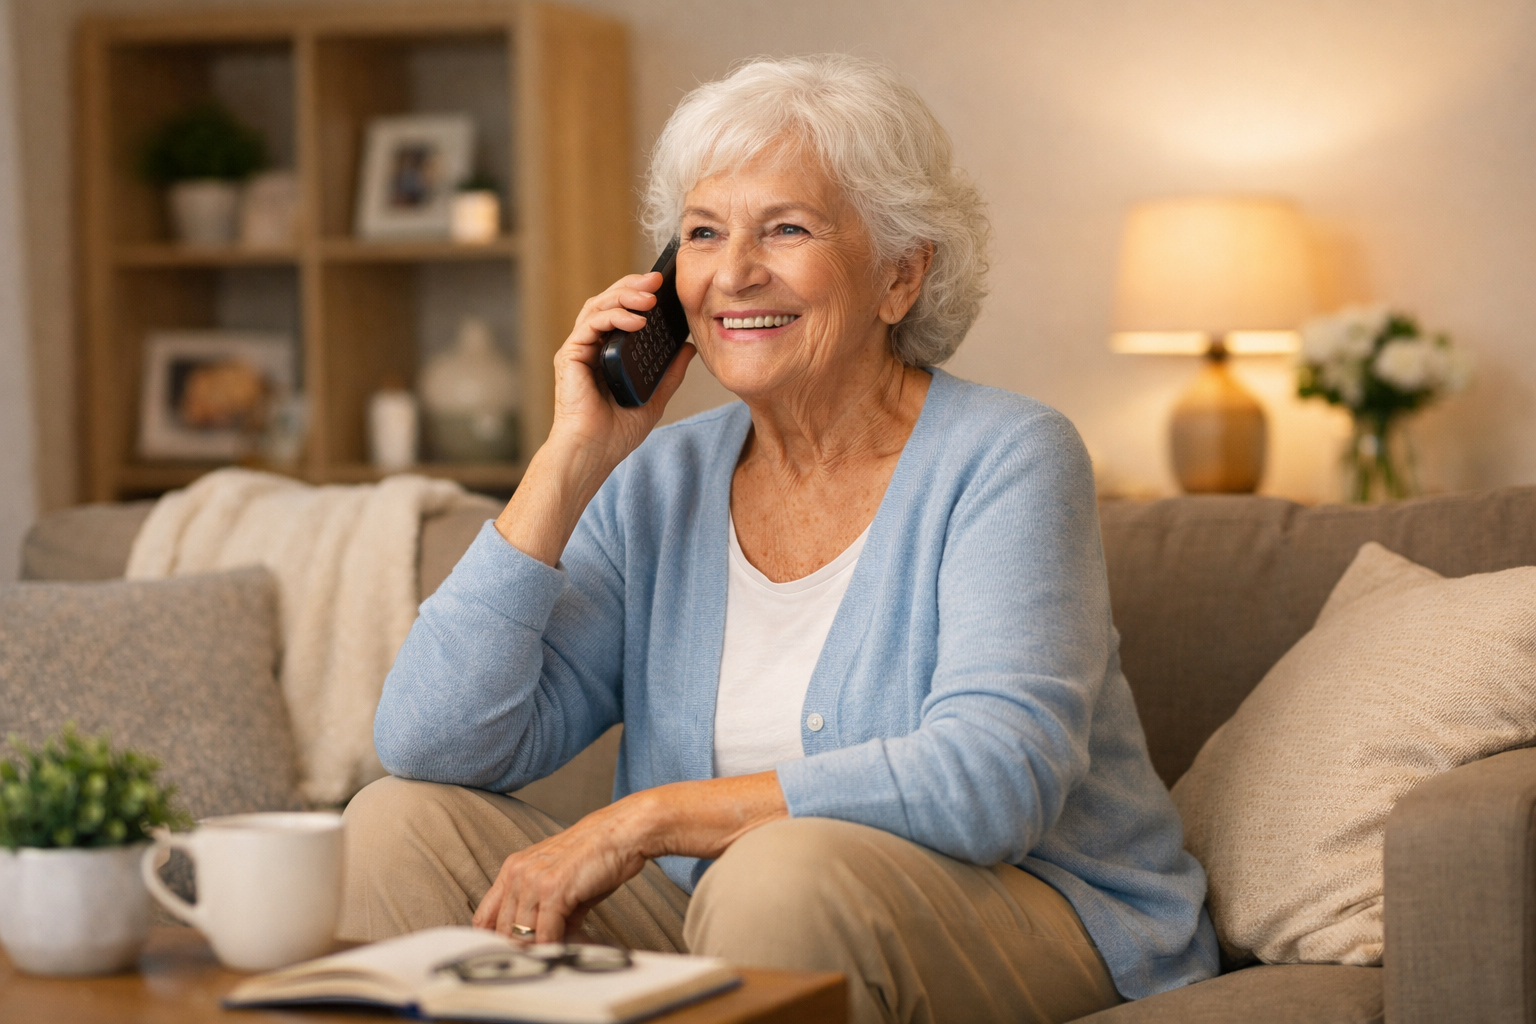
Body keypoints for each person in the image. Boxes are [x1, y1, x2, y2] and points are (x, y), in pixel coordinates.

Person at [340, 54, 1218, 1024]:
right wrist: (571, 456)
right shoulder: (657, 479)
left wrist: (650, 817)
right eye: (704, 233)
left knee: (779, 871)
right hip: (714, 914)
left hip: (1029, 911)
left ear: (900, 273)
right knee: (397, 822)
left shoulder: (1009, 455)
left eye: (787, 228)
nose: (734, 273)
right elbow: (432, 739)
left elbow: (993, 778)